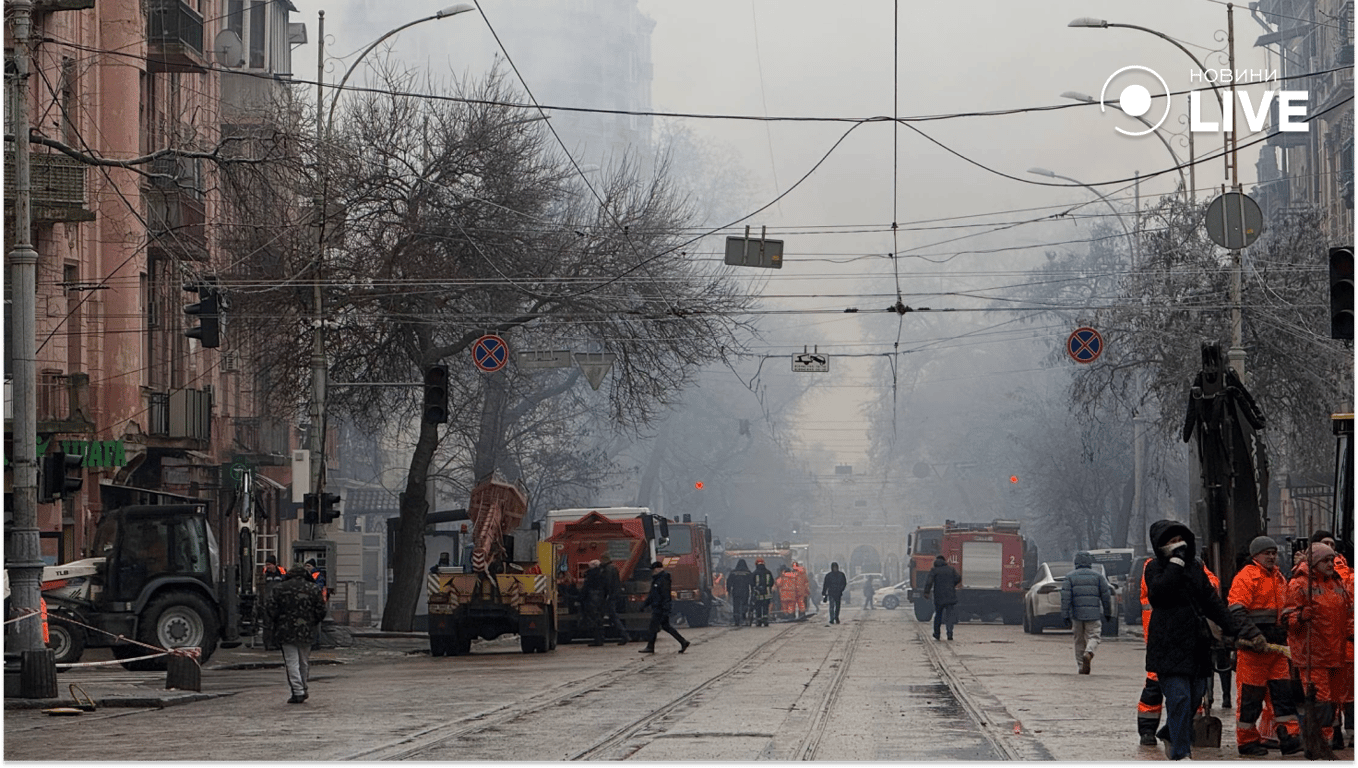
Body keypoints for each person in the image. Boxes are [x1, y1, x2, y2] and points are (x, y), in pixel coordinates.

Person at [1143, 519, 1264, 761]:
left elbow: (1213, 604)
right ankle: (1181, 754)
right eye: (1171, 541)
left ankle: (1170, 732)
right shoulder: (1154, 568)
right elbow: (1159, 593)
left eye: (1180, 540)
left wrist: (1239, 631)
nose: (1178, 545)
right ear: (1160, 545)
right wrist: (1175, 564)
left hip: (1196, 646)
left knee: (1194, 698)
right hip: (1167, 646)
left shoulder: (1195, 569)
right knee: (1179, 698)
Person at [1227, 535, 1302, 756]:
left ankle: (1289, 737)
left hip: (1276, 649)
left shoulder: (1278, 578)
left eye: (1273, 553)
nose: (1271, 556)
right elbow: (1237, 612)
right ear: (1255, 555)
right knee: (1250, 699)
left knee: (1282, 697)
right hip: (1254, 651)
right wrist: (1255, 636)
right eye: (1266, 553)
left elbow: (1285, 610)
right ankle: (1247, 742)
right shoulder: (1246, 578)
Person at [1282, 541, 1354, 755]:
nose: (1331, 563)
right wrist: (1300, 617)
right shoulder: (1299, 585)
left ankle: (1324, 738)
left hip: (1335, 652)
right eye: (1326, 560)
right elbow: (1287, 619)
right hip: (1312, 653)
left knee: (1334, 700)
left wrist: (1352, 633)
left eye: (1332, 559)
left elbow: (1347, 614)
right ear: (1315, 562)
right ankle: (1322, 741)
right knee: (1321, 698)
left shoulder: (1338, 584)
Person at [263, 564, 328, 704]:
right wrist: (313, 621)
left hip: (286, 629)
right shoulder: (313, 589)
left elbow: (270, 607)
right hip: (307, 629)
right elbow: (321, 610)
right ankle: (303, 687)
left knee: (291, 661)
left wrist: (277, 621)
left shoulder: (280, 588)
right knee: (303, 661)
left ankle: (297, 691)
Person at [1060, 551, 1114, 674]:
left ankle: (1080, 666)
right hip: (1093, 615)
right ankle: (1089, 652)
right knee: (1094, 636)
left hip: (1077, 616)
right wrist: (1107, 612)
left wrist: (1065, 615)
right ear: (1090, 563)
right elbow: (1106, 596)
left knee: (1079, 640)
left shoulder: (1070, 577)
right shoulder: (1098, 576)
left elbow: (1065, 598)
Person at [639, 561, 689, 654]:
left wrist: (666, 609)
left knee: (653, 627)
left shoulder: (663, 579)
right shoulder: (657, 579)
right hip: (658, 607)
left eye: (653, 570)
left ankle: (650, 647)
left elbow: (665, 595)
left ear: (658, 569)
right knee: (666, 626)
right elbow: (652, 595)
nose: (652, 572)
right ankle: (683, 641)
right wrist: (644, 605)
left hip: (660, 608)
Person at [922, 555, 960, 640]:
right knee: (949, 616)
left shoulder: (934, 570)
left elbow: (929, 582)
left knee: (938, 615)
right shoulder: (951, 569)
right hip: (950, 596)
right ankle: (949, 633)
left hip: (939, 596)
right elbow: (958, 578)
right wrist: (952, 585)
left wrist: (926, 592)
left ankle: (937, 634)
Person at [598, 554, 632, 645]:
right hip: (614, 595)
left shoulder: (608, 569)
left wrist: (606, 595)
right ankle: (623, 635)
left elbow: (607, 583)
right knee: (612, 616)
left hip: (610, 596)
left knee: (612, 616)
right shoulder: (613, 568)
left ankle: (624, 635)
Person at [259, 555, 285, 651]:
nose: (267, 567)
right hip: (268, 602)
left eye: (269, 564)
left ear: (274, 564)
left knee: (278, 624)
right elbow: (261, 587)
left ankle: (277, 643)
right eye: (266, 565)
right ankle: (268, 644)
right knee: (267, 624)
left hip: (279, 602)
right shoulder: (265, 574)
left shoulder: (282, 572)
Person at [581, 559, 608, 646]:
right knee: (599, 619)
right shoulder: (603, 573)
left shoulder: (591, 574)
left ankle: (597, 640)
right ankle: (601, 639)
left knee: (594, 619)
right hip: (601, 598)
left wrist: (581, 597)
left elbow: (586, 586)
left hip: (593, 599)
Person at [726, 559, 753, 627]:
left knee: (736, 606)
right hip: (745, 592)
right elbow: (752, 583)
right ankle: (743, 617)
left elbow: (728, 582)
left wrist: (728, 591)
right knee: (744, 604)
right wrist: (752, 591)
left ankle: (736, 620)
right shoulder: (748, 572)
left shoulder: (733, 573)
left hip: (736, 592)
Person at [752, 559, 775, 627]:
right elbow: (772, 582)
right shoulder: (768, 572)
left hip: (758, 594)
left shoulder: (755, 573)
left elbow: (752, 583)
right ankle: (765, 620)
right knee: (765, 607)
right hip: (767, 593)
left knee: (758, 607)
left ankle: (758, 621)